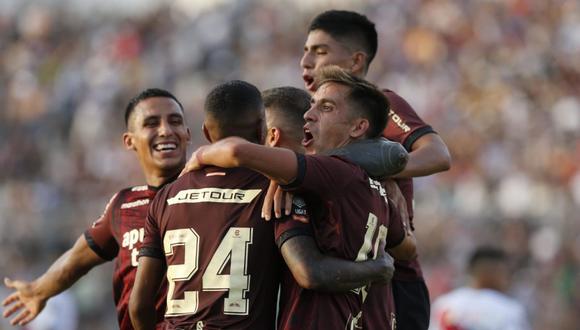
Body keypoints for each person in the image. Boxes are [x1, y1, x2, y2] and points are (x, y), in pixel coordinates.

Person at [130, 80, 395, 330]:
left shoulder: (167, 196)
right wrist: (378, 269)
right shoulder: (274, 190)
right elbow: (308, 271)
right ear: (262, 130)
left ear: (206, 132)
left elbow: (139, 305)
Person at [299, 9, 452, 330]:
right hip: (339, 272)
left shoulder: (381, 104)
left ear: (355, 62)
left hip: (393, 278)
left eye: (320, 51)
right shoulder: (310, 116)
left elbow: (437, 154)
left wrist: (385, 172)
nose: (306, 61)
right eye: (305, 51)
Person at [1, 88, 191, 330]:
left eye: (175, 121)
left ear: (188, 133)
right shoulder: (125, 205)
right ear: (129, 140)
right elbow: (76, 259)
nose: (165, 130)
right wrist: (39, 289)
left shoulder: (216, 191)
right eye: (151, 123)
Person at [429, 246, 530, 330]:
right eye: (505, 272)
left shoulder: (444, 304)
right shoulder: (509, 310)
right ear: (495, 272)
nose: (507, 278)